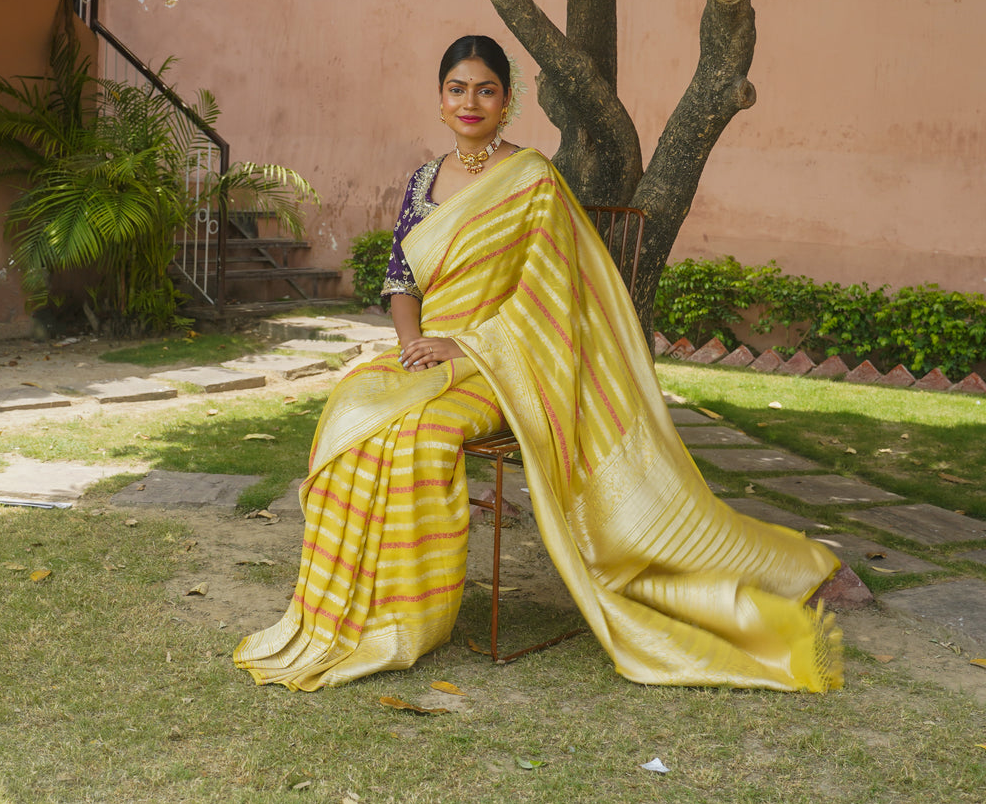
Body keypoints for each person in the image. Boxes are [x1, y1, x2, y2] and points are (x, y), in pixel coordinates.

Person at [234, 36, 842, 693]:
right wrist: (414, 344)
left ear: (507, 102)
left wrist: (468, 348)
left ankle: (411, 615)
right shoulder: (421, 180)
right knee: (352, 413)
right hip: (429, 351)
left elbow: (551, 300)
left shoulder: (530, 179)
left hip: (503, 365)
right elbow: (400, 280)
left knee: (420, 431)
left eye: (485, 90)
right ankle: (354, 604)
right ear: (440, 99)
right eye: (457, 88)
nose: (470, 101)